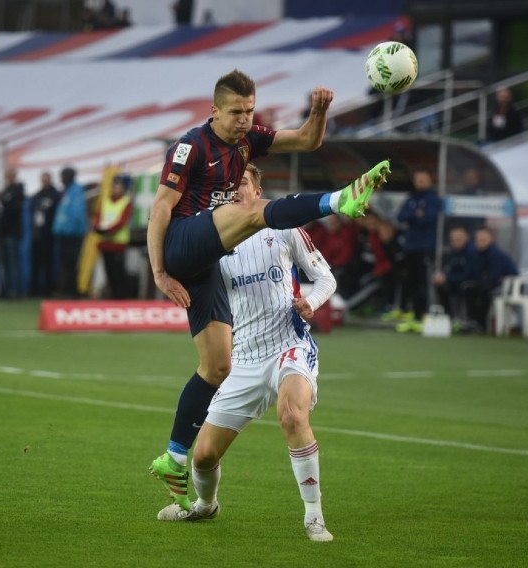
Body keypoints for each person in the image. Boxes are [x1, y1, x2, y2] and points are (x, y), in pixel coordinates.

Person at [147, 69, 389, 510]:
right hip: (182, 242)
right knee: (254, 212)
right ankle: (339, 200)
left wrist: (318, 112)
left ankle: (175, 456)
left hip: (206, 262)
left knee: (216, 366)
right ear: (214, 110)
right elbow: (161, 207)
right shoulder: (190, 146)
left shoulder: (248, 140)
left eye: (249, 111)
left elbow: (306, 141)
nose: (244, 119)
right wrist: (160, 271)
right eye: (236, 112)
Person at [156, 163, 336, 542]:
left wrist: (312, 302)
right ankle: (206, 506)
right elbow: (185, 263)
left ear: (258, 189)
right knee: (203, 456)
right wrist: (166, 272)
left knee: (291, 415)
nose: (235, 191)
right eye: (229, 186)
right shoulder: (216, 241)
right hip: (246, 357)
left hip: (291, 344)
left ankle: (314, 517)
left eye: (242, 183)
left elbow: (325, 277)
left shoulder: (283, 229)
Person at [396, 168, 441, 321]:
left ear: (429, 181)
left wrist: (414, 216)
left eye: (423, 179)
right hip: (410, 247)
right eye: (417, 179)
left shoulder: (433, 199)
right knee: (411, 281)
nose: (420, 182)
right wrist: (416, 215)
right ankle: (414, 313)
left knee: (424, 281)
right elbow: (401, 216)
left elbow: (429, 218)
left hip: (426, 247)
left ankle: (425, 314)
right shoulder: (411, 198)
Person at [469, 227, 518, 332]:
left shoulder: (496, 254)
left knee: (484, 291)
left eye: (483, 239)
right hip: (494, 284)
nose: (480, 242)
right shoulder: (476, 254)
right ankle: (472, 322)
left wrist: (483, 281)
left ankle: (482, 324)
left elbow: (494, 276)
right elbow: (476, 274)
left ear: (491, 239)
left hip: (511, 286)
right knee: (469, 288)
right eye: (478, 240)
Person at [93, 174, 134, 299]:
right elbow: (98, 217)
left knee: (118, 272)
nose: (115, 188)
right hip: (105, 243)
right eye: (114, 185)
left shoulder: (126, 202)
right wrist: (98, 229)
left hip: (118, 243)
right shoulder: (105, 201)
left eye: (118, 185)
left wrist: (108, 231)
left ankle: (121, 296)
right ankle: (113, 296)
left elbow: (122, 221)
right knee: (108, 272)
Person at [52, 166, 88, 298]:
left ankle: (72, 291)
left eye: (62, 176)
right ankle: (65, 289)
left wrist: (71, 230)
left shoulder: (75, 190)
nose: (61, 179)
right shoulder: (66, 191)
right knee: (65, 263)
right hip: (64, 233)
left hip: (73, 234)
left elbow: (76, 213)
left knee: (72, 262)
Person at [432, 226, 477, 321]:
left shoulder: (472, 252)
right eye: (454, 238)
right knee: (441, 285)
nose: (456, 240)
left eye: (459, 238)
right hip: (456, 282)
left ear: (467, 237)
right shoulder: (452, 253)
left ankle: (469, 319)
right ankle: (447, 316)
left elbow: (468, 273)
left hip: (470, 282)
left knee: (467, 287)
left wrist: (448, 278)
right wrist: (442, 277)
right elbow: (449, 270)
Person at [0, 168, 25, 299]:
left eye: (11, 176)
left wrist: (4, 200)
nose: (9, 178)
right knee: (4, 263)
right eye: (7, 176)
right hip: (3, 231)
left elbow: (15, 208)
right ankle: (4, 290)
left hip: (12, 232)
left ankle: (15, 291)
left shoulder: (18, 190)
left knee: (13, 263)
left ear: (15, 176)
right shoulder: (6, 190)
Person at [30, 171, 59, 297]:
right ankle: (35, 289)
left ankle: (47, 289)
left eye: (46, 179)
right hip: (36, 233)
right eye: (43, 179)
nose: (44, 182)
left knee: (47, 263)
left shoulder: (54, 195)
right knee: (35, 262)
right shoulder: (37, 195)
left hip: (48, 234)